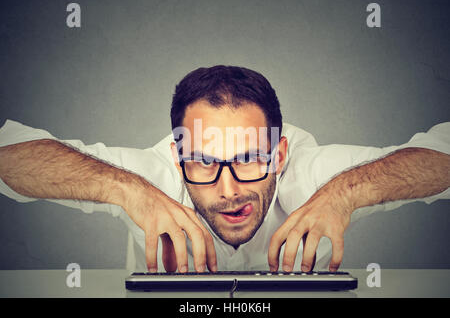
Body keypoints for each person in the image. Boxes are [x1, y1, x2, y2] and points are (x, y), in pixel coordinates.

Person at [0, 65, 449, 273]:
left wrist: (346, 192)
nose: (229, 189)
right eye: (205, 162)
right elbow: (9, 154)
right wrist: (126, 190)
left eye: (251, 158)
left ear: (278, 154)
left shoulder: (316, 175)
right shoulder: (152, 176)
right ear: (178, 158)